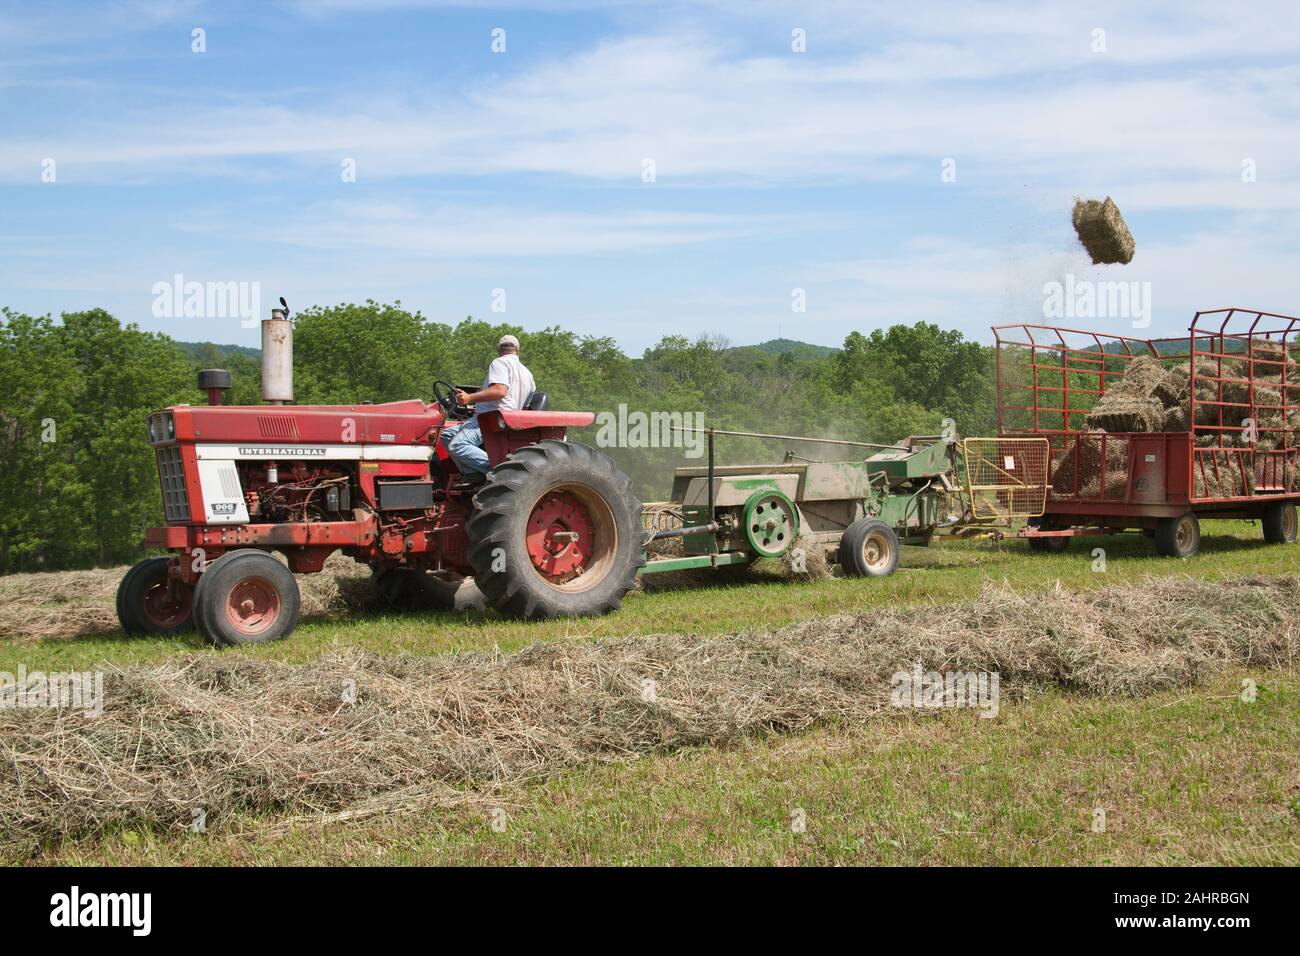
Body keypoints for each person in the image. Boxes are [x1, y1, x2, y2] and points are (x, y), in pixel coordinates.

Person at [441, 334, 536, 477]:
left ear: (499, 350)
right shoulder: (528, 374)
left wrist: (469, 398)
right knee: (446, 435)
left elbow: (499, 391)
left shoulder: (500, 363)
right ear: (517, 350)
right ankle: (473, 474)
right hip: (507, 419)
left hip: (490, 418)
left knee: (457, 445)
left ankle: (501, 473)